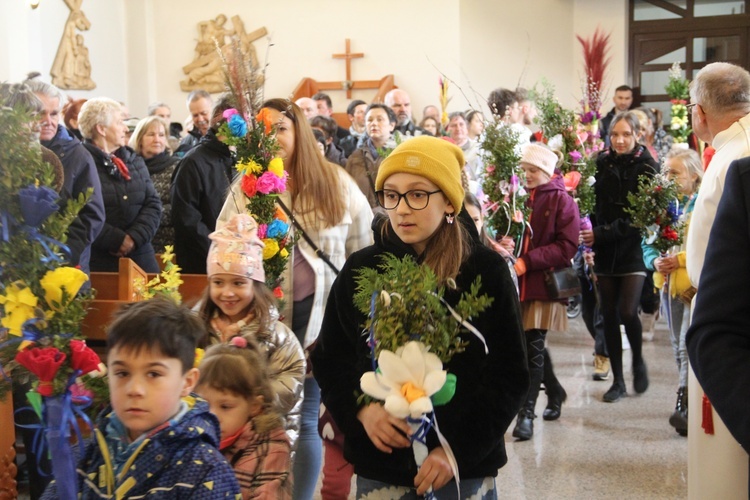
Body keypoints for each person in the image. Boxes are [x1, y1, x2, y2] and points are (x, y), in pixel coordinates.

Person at [312, 135, 528, 498]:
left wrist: (456, 450)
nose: (401, 209)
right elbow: (330, 358)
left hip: (462, 469)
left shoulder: (485, 272)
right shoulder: (362, 268)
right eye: (391, 195)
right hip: (382, 464)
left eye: (417, 194)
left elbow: (509, 374)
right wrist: (362, 411)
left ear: (449, 202)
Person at [217, 98, 373, 500]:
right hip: (263, 322)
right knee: (261, 416)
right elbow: (223, 250)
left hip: (323, 319)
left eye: (281, 129)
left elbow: (364, 248)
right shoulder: (246, 187)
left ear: (298, 132)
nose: (273, 138)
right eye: (264, 131)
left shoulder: (335, 181)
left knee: (307, 418)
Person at [40, 298, 241, 498]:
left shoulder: (206, 471)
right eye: (122, 373)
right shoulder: (84, 454)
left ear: (187, 382)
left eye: (153, 374)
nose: (134, 389)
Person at [683, 61, 750, 498]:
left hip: (730, 335)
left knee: (726, 472)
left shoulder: (732, 161)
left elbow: (712, 263)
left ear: (699, 112)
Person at [197, 213, 305, 447]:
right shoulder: (196, 328)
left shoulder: (277, 336)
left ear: (255, 285)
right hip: (205, 434)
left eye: (238, 283)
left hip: (259, 440)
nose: (227, 293)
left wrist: (245, 402)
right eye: (218, 282)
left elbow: (291, 381)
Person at [581, 111, 658, 402]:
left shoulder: (648, 166)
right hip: (603, 250)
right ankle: (618, 380)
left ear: (637, 135)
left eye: (626, 134)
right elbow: (588, 203)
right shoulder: (599, 162)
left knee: (628, 310)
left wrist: (600, 233)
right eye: (615, 135)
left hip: (632, 248)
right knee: (608, 314)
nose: (620, 140)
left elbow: (639, 217)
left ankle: (637, 360)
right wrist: (588, 235)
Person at [510, 144, 579, 440]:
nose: (527, 175)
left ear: (547, 172)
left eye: (533, 170)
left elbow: (567, 248)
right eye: (524, 170)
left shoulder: (562, 201)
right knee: (528, 346)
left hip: (541, 286)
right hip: (517, 284)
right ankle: (555, 390)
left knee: (532, 350)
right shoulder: (518, 199)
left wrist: (528, 260)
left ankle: (526, 414)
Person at [641, 147, 702, 436]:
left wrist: (678, 260)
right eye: (666, 172)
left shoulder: (702, 204)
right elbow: (648, 243)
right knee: (677, 345)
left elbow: (706, 246)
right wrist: (654, 260)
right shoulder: (663, 206)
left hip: (694, 285)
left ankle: (684, 403)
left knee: (685, 344)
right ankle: (688, 402)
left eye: (675, 173)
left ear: (694, 175)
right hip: (668, 286)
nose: (668, 177)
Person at [26, 79, 105, 280]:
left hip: (65, 268)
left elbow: (91, 215)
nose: (48, 120)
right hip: (21, 267)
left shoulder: (78, 155)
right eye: (39, 113)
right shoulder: (14, 154)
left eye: (53, 114)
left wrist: (59, 257)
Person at [197, 336, 293, 499]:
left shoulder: (272, 447)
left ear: (254, 406)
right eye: (204, 404)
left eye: (225, 406)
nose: (211, 415)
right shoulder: (193, 437)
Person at [78, 97, 161, 273]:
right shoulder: (80, 163)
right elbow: (79, 212)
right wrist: (116, 240)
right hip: (100, 262)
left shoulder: (133, 160)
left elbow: (153, 203)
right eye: (119, 122)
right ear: (101, 129)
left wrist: (134, 238)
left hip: (141, 258)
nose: (125, 128)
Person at [171, 94, 237, 274]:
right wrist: (218, 250)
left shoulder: (238, 157)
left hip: (235, 261)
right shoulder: (193, 162)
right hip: (202, 261)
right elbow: (186, 219)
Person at [128, 116, 179, 254]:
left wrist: (147, 216)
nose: (157, 139)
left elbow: (179, 207)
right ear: (140, 139)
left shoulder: (176, 167)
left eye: (161, 135)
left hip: (167, 244)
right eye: (151, 134)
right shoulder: (130, 167)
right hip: (134, 243)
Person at [346, 103, 397, 210]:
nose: (374, 123)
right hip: (363, 219)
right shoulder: (355, 157)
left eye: (380, 119)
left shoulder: (399, 154)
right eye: (369, 120)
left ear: (392, 125)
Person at [446, 111, 483, 198]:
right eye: (454, 125)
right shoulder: (444, 150)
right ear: (447, 129)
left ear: (467, 128)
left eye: (461, 124)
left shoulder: (478, 149)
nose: (458, 128)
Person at [174, 90, 213, 157]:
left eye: (204, 113)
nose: (200, 119)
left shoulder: (225, 136)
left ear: (212, 109)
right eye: (195, 115)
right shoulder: (187, 142)